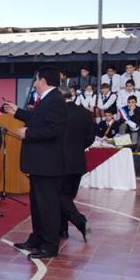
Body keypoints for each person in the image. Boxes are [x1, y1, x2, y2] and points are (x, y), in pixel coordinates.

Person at [3, 66, 66, 260]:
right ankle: (37, 238)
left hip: (47, 162)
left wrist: (28, 133)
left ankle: (50, 245)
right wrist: (18, 112)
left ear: (43, 81)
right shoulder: (47, 99)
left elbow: (54, 129)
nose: (35, 83)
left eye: (37, 80)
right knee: (37, 204)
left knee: (47, 205)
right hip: (39, 162)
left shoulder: (55, 99)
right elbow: (39, 118)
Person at [59, 91, 95, 241]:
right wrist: (79, 147)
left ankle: (80, 221)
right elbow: (91, 137)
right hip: (78, 161)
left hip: (60, 161)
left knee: (59, 196)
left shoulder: (58, 113)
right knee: (67, 197)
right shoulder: (85, 113)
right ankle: (63, 230)